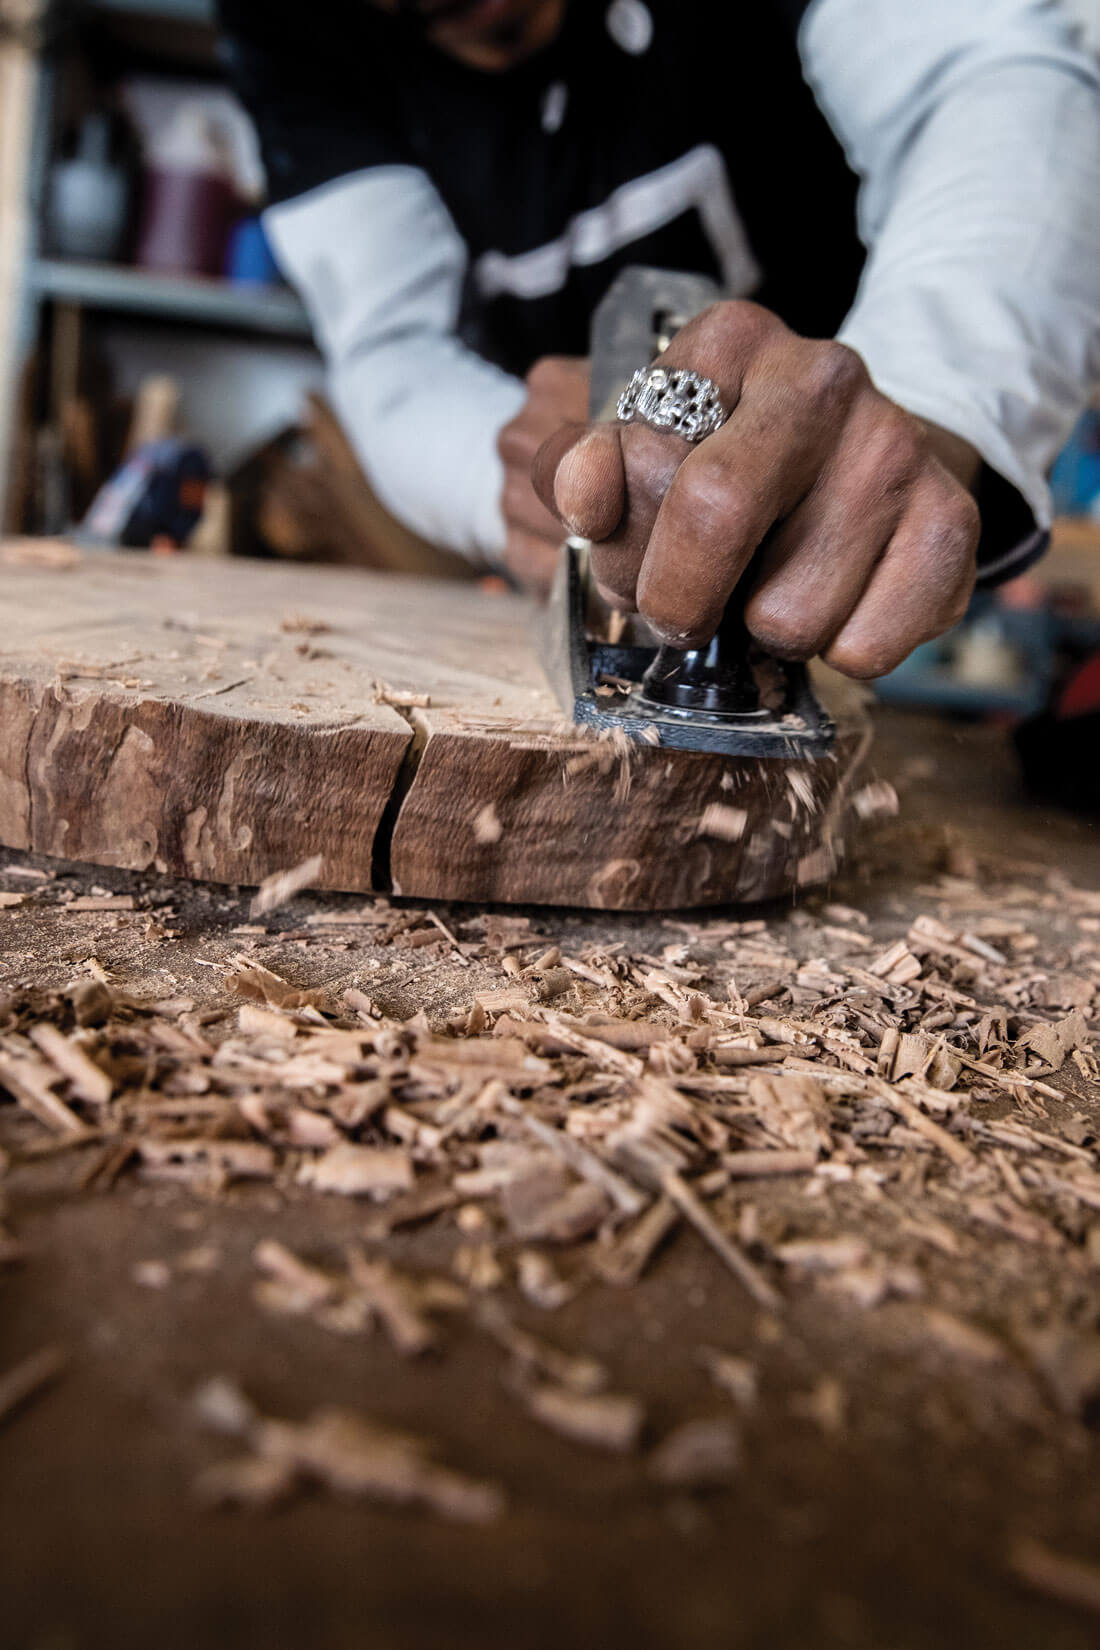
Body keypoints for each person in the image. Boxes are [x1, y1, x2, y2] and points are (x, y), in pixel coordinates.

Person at [218, 0, 1100, 680]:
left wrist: (930, 393)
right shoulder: (292, 28)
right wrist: (509, 472)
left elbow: (1000, 78)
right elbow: (392, 349)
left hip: (839, 554)